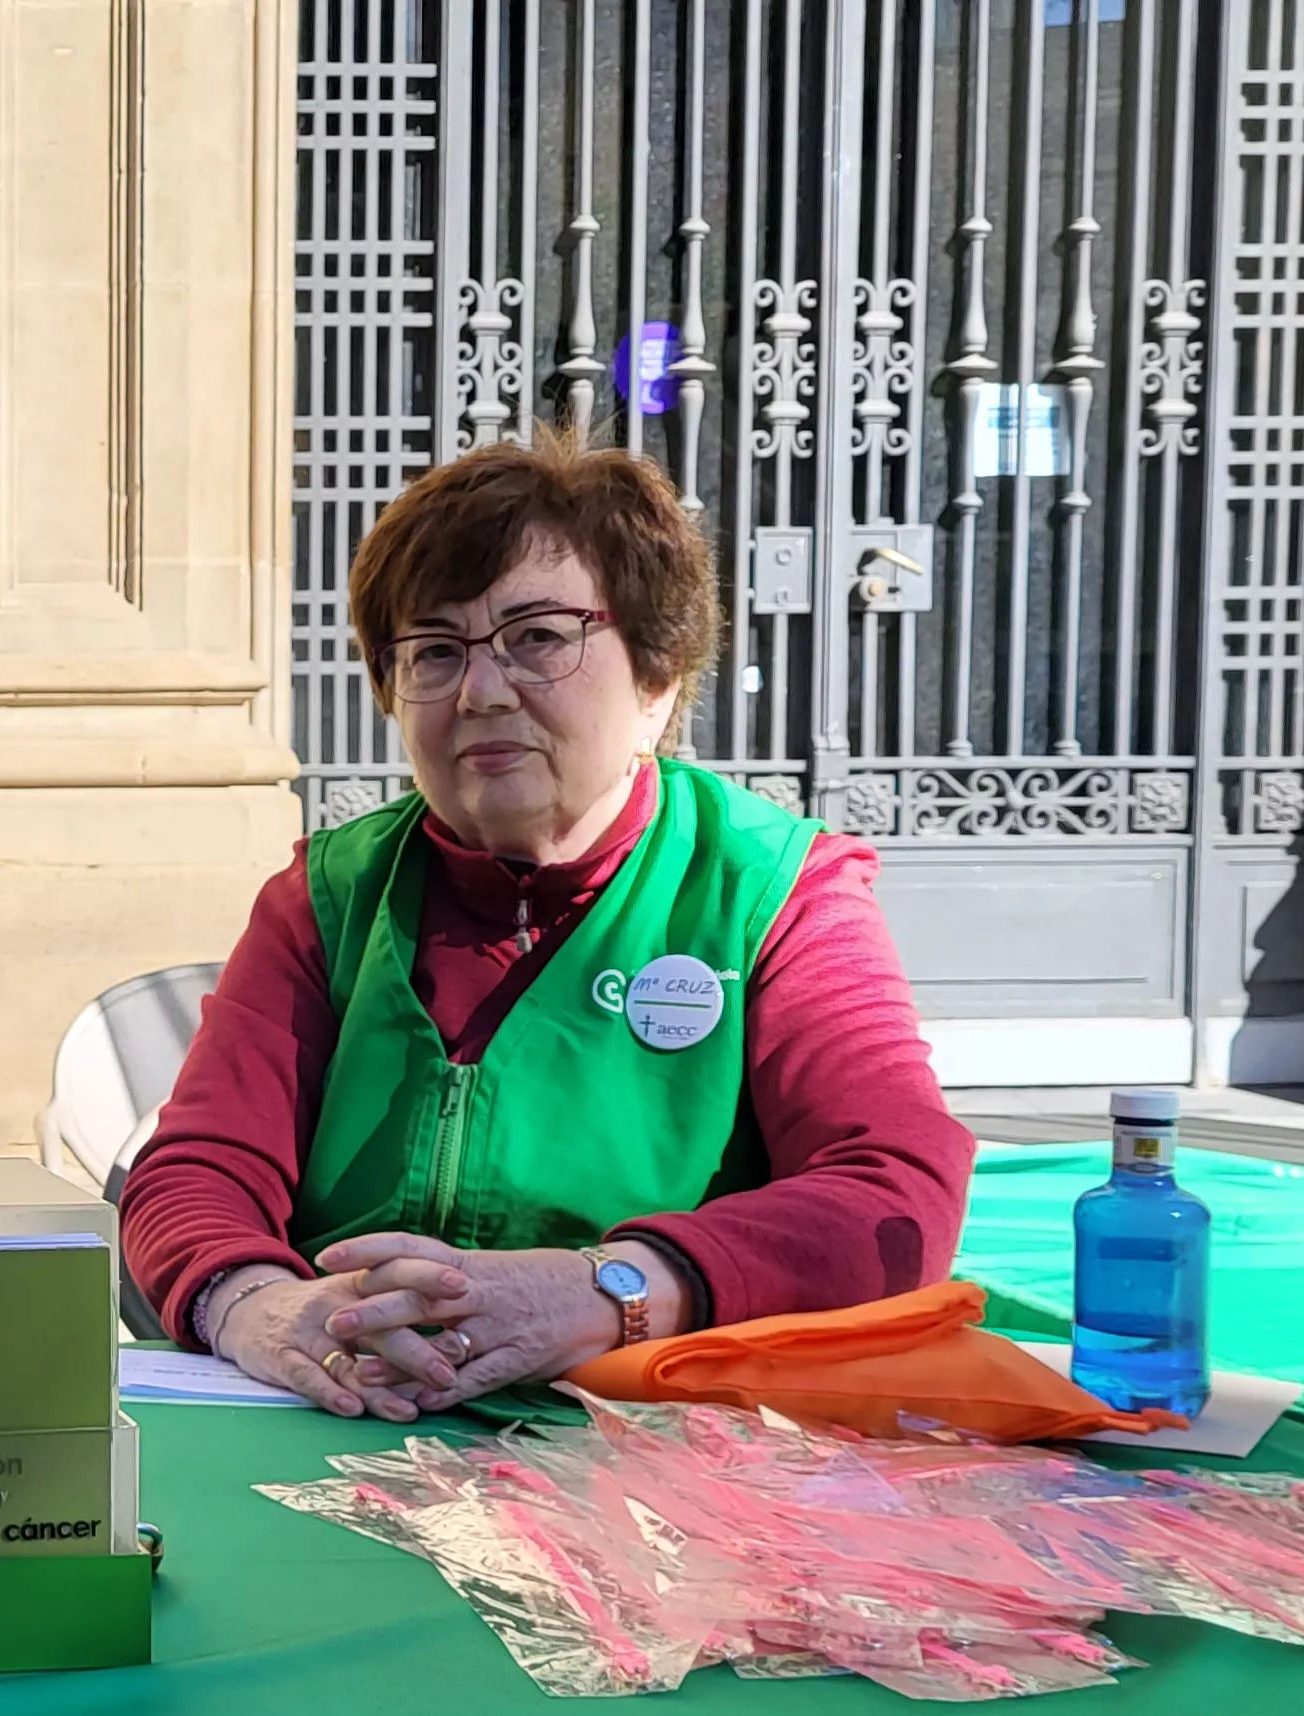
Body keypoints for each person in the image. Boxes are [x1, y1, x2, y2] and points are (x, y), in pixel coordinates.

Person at [120, 429, 973, 1421]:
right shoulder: (327, 896)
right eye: (434, 652)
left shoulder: (772, 890)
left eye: (538, 638)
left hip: (662, 1443)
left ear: (656, 680)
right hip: (348, 1411)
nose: (481, 693)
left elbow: (895, 1192)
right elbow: (197, 1167)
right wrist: (254, 1303)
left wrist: (613, 1290)